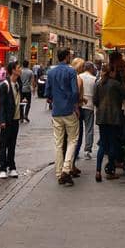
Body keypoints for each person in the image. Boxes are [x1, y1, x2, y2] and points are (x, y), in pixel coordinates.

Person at [45, 49, 80, 186]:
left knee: (58, 143)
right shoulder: (71, 71)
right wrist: (74, 105)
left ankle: (59, 173)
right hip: (68, 110)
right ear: (66, 57)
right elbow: (75, 91)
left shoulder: (51, 71)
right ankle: (66, 169)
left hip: (56, 112)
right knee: (72, 140)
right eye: (69, 56)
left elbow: (47, 92)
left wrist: (53, 99)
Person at [95, 56, 125, 181]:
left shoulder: (99, 84)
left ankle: (98, 171)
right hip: (113, 118)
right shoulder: (115, 84)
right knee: (112, 144)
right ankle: (110, 171)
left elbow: (95, 101)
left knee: (103, 145)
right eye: (114, 71)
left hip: (101, 117)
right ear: (111, 72)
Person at [0, 59, 21, 178]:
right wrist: (3, 121)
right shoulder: (5, 86)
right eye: (18, 68)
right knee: (4, 144)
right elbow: (3, 105)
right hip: (7, 120)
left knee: (12, 144)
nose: (20, 69)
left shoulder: (17, 84)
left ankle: (12, 167)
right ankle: (3, 168)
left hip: (15, 119)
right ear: (13, 71)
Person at [74, 59, 98, 164]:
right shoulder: (94, 79)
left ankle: (76, 150)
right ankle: (87, 150)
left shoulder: (79, 77)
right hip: (89, 106)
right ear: (91, 69)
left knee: (78, 129)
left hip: (79, 106)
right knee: (89, 129)